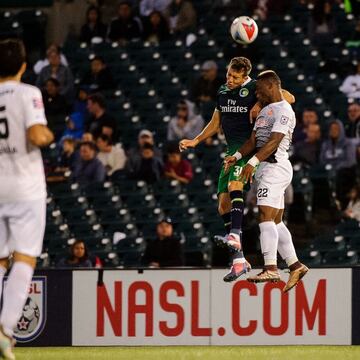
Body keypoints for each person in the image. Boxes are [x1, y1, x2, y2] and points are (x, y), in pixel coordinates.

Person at [179, 57, 295, 282]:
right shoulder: (223, 91)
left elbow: (288, 97)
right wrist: (196, 140)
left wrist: (260, 104)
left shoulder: (254, 88)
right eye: (228, 74)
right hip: (231, 150)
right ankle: (239, 260)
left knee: (235, 185)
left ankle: (235, 234)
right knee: (222, 205)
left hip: (248, 147)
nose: (229, 79)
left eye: (234, 77)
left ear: (245, 76)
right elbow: (216, 121)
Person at [224, 70, 308, 291]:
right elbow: (254, 140)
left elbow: (274, 141)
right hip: (265, 169)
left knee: (264, 216)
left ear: (271, 87)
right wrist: (238, 157)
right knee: (276, 221)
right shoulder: (265, 110)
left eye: (260, 91)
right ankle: (295, 265)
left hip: (275, 168)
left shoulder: (283, 111)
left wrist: (252, 162)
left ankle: (270, 267)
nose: (257, 95)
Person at [0, 39, 54, 359]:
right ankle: (5, 331)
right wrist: (49, 135)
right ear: (23, 65)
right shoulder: (28, 93)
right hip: (25, 187)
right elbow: (36, 135)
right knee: (24, 257)